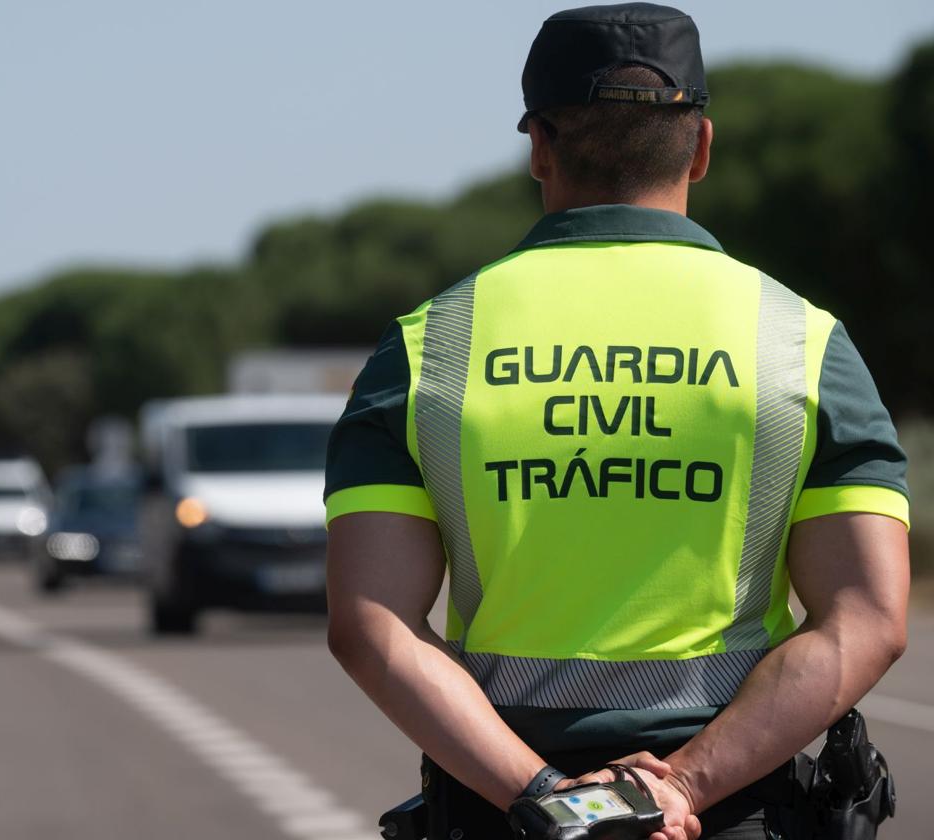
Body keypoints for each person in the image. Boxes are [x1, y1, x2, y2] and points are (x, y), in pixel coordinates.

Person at [323, 4, 910, 840]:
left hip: (507, 813)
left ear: (538, 147)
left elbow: (369, 626)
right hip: (730, 813)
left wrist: (551, 797)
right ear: (702, 146)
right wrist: (684, 786)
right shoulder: (803, 344)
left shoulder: (427, 347)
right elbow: (869, 617)